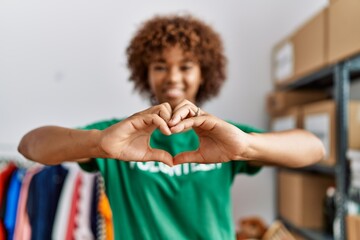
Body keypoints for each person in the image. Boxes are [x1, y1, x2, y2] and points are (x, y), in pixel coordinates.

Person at [18, 14, 325, 239]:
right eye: (160, 66)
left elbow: (314, 148)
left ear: (204, 73)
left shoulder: (224, 135)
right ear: (145, 73)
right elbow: (30, 145)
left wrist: (246, 146)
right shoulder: (117, 134)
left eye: (186, 66)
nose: (173, 77)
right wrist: (99, 143)